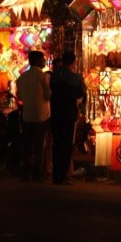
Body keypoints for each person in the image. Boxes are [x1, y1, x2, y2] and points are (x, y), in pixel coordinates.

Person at [49, 51, 86, 185]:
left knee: (57, 144)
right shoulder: (75, 78)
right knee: (66, 145)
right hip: (69, 114)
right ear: (73, 62)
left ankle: (55, 175)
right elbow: (80, 94)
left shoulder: (54, 76)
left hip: (55, 113)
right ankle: (63, 176)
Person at [16, 50, 52, 182]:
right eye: (43, 59)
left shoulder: (22, 78)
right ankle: (37, 172)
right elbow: (48, 95)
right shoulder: (44, 77)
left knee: (27, 145)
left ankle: (25, 171)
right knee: (39, 145)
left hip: (27, 115)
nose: (44, 62)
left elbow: (19, 97)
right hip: (42, 115)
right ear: (37, 61)